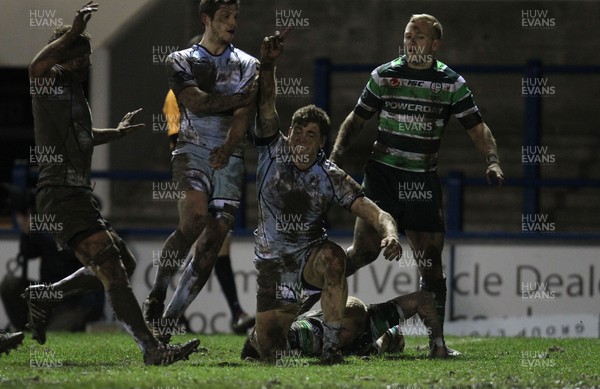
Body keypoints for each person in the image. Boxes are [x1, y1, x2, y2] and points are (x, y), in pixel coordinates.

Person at [24, 2, 199, 366]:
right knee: (112, 269)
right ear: (70, 55)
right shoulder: (50, 82)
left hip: (77, 194)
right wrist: (72, 34)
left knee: (127, 264)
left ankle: (46, 296)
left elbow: (82, 136)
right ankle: (151, 349)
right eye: (84, 55)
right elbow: (35, 66)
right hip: (60, 193)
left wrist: (115, 134)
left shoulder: (73, 89)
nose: (89, 61)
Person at [330, 14, 505, 354]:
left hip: (423, 180)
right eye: (408, 35)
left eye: (419, 37)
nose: (411, 41)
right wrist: (335, 155)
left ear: (435, 44)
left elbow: (477, 127)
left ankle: (437, 344)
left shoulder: (451, 83)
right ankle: (314, 292)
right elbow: (357, 119)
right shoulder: (385, 76)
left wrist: (493, 160)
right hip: (382, 175)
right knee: (364, 252)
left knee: (431, 260)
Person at [251, 29, 402, 365]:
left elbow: (374, 212)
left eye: (312, 135)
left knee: (334, 257)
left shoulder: (329, 174)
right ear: (288, 134)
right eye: (298, 132)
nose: (303, 141)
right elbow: (265, 103)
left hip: (309, 260)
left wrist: (390, 233)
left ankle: (331, 350)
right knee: (269, 353)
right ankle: (260, 337)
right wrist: (268, 64)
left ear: (321, 143)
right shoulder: (271, 151)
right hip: (273, 266)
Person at [142, 0, 258, 339]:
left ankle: (170, 319)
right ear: (206, 19)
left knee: (213, 245)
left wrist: (228, 146)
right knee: (192, 220)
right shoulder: (178, 61)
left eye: (236, 15)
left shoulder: (248, 64)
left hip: (229, 158)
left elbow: (241, 119)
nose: (233, 22)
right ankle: (158, 292)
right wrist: (241, 98)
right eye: (225, 16)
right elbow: (196, 104)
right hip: (190, 152)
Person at [161, 85, 254, 334]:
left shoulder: (223, 93)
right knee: (202, 240)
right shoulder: (176, 95)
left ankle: (177, 313)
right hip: (194, 176)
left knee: (215, 242)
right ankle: (172, 310)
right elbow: (175, 140)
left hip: (218, 175)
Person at [0, 185, 104, 332]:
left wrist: (36, 230)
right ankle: (26, 330)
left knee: (51, 344)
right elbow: (28, 253)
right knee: (10, 284)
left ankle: (42, 331)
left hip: (78, 301)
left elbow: (66, 250)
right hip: (49, 296)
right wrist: (27, 230)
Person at [242, 291, 450, 360]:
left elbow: (423, 299)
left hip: (369, 336)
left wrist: (438, 345)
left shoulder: (371, 321)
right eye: (335, 327)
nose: (336, 334)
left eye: (343, 331)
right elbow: (260, 336)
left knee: (374, 347)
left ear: (359, 329)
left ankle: (392, 336)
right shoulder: (309, 332)